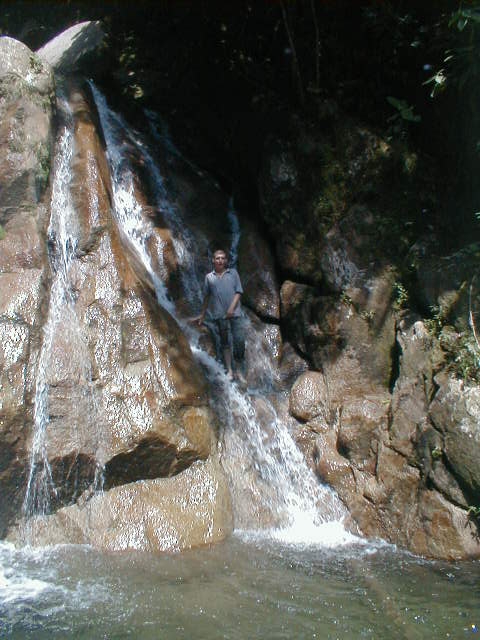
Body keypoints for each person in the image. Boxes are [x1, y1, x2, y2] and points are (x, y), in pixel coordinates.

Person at [195, 249, 246, 383]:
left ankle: (239, 369)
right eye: (217, 258)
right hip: (219, 315)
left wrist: (231, 309)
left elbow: (239, 292)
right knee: (225, 343)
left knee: (239, 340)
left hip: (235, 313)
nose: (220, 260)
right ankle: (229, 370)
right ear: (213, 260)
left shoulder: (233, 273)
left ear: (226, 261)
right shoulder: (209, 278)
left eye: (223, 258)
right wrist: (202, 315)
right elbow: (206, 297)